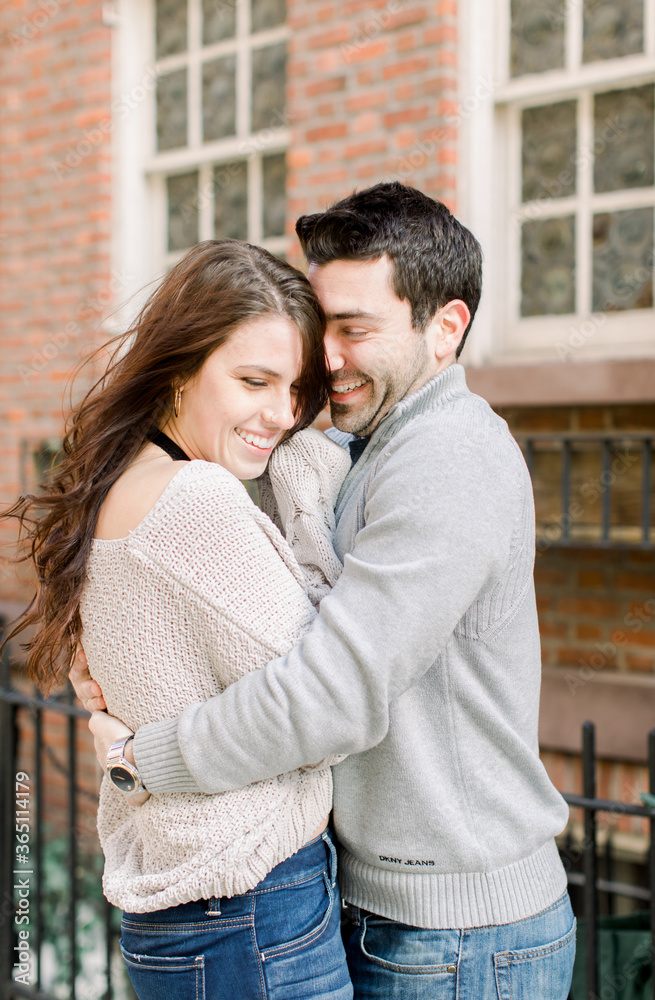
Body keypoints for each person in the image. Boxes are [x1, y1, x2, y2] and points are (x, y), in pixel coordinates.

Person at [72, 182, 576, 999]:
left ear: (444, 329)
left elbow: (331, 696)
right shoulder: (357, 444)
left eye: (354, 329)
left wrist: (142, 758)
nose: (327, 357)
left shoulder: (446, 459)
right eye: (321, 326)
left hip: (455, 936)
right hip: (383, 908)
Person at [4, 239, 355, 1000]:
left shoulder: (127, 476)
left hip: (198, 908)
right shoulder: (194, 500)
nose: (282, 415)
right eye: (253, 380)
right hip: (251, 905)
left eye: (294, 387)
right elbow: (334, 698)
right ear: (178, 368)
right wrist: (306, 478)